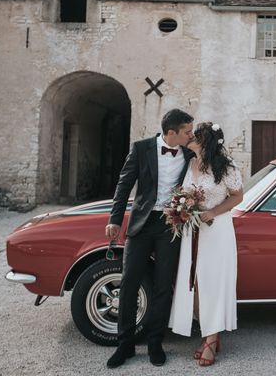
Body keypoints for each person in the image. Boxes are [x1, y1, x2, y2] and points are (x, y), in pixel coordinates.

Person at [105, 109, 195, 369]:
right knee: (130, 282)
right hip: (141, 224)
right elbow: (124, 184)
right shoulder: (141, 148)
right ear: (171, 133)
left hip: (171, 225)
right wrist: (114, 218)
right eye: (187, 131)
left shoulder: (190, 154)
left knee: (163, 285)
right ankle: (125, 345)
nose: (191, 135)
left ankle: (155, 342)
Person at [169, 122, 243, 367]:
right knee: (196, 285)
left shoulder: (226, 168)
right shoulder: (191, 163)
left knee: (213, 283)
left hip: (217, 230)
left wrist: (213, 212)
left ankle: (211, 339)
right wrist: (182, 209)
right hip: (193, 231)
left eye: (195, 135)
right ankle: (208, 333)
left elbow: (238, 196)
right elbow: (186, 193)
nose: (190, 137)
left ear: (205, 141)